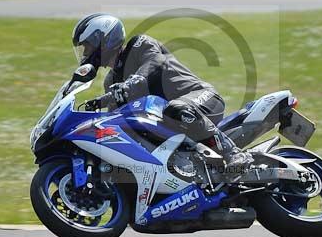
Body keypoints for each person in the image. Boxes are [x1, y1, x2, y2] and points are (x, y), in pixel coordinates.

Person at [71, 13, 254, 174]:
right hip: (172, 122)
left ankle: (233, 154)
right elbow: (116, 119)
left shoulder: (139, 44)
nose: (86, 54)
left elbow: (154, 62)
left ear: (104, 39)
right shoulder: (111, 81)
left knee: (176, 108)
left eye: (87, 46)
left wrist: (132, 83)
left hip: (201, 98)